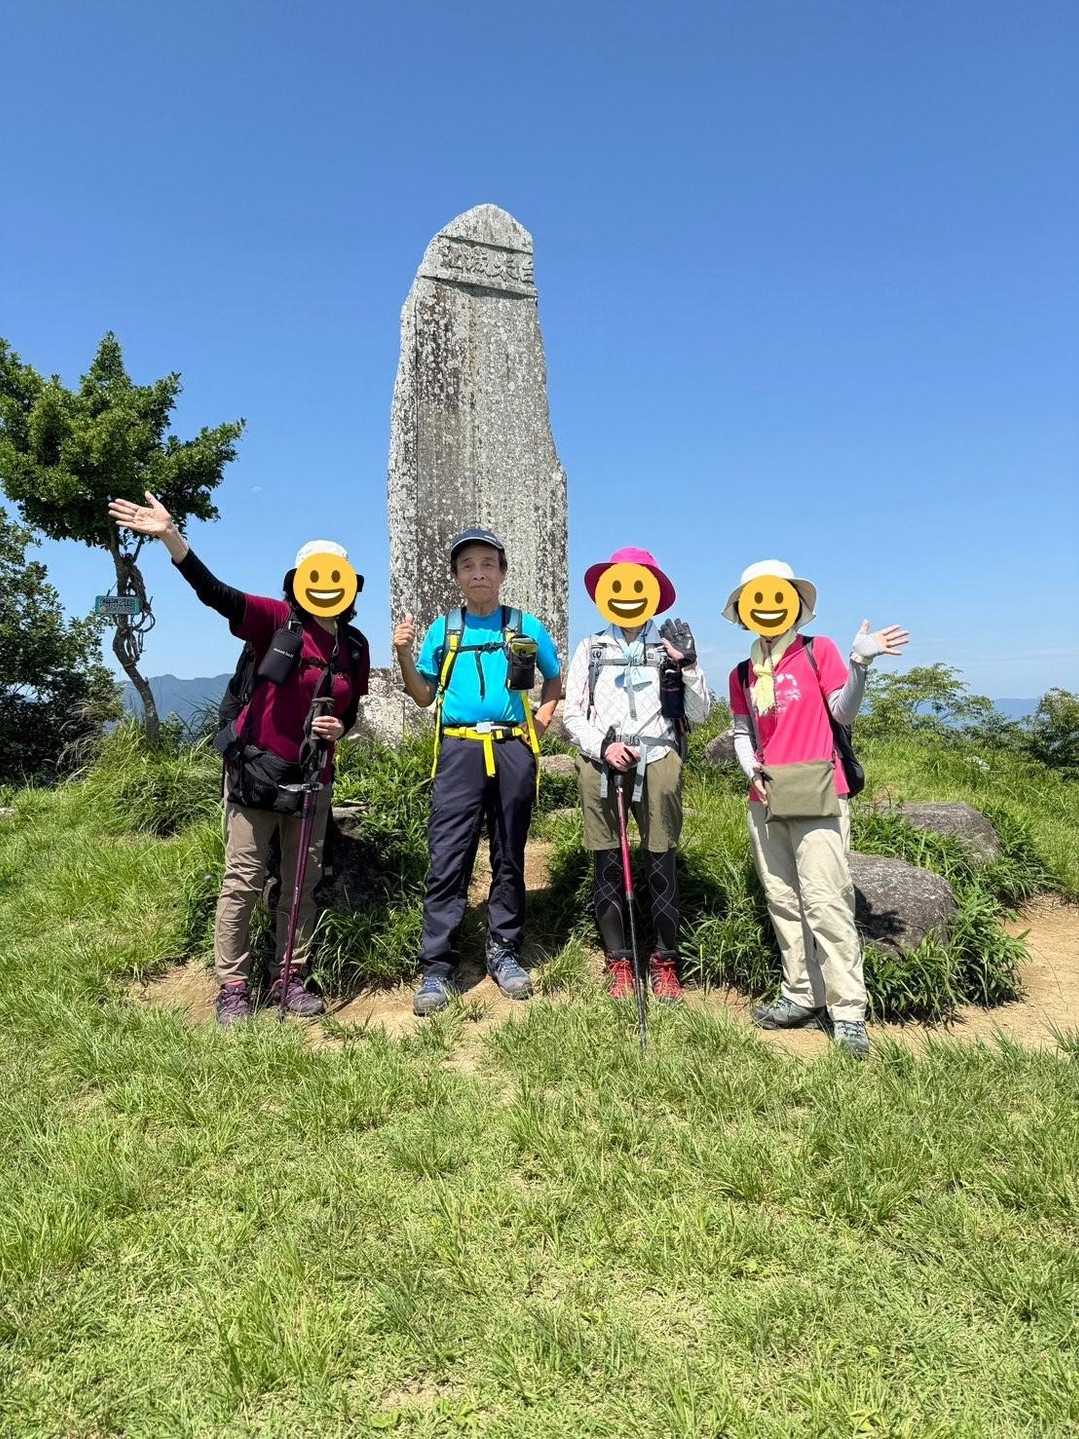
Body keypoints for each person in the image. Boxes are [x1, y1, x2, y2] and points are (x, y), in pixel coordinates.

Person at [108, 492, 370, 1025]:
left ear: (350, 585)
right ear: (297, 581)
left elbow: (352, 708)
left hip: (314, 778)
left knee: (301, 881)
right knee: (243, 880)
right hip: (256, 769)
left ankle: (289, 977)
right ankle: (233, 986)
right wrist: (172, 539)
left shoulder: (355, 646)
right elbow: (217, 594)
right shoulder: (275, 621)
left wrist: (341, 727)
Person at [723, 559, 909, 1057]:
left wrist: (860, 663)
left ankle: (848, 1012)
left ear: (794, 605)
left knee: (826, 901)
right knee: (783, 899)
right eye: (756, 598)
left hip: (821, 789)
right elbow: (742, 732)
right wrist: (751, 770)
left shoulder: (816, 651)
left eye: (776, 596)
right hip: (767, 795)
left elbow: (842, 713)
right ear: (744, 610)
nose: (766, 607)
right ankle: (801, 994)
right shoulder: (742, 672)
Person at [394, 528, 562, 1016]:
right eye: (468, 566)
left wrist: (539, 726)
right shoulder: (444, 630)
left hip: (512, 748)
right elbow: (423, 695)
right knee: (448, 855)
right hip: (459, 748)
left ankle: (504, 950)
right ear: (456, 577)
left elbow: (554, 678)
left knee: (510, 852)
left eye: (488, 563)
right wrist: (404, 653)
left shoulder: (525, 626)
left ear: (503, 572)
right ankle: (437, 966)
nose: (479, 573)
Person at [562, 546, 711, 1001]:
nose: (628, 595)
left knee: (661, 859)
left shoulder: (669, 648)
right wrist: (604, 747)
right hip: (601, 760)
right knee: (607, 860)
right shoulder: (590, 649)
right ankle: (620, 961)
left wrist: (687, 666)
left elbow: (700, 714)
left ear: (655, 593)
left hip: (659, 757)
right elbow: (572, 715)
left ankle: (665, 961)